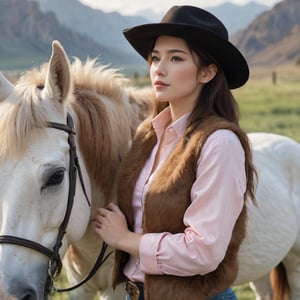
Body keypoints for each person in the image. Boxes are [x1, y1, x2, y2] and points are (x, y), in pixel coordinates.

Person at [95, 5, 256, 300]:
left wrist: (125, 239)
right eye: (155, 58)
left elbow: (203, 251)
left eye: (176, 58)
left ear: (207, 72)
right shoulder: (148, 134)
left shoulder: (219, 143)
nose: (159, 68)